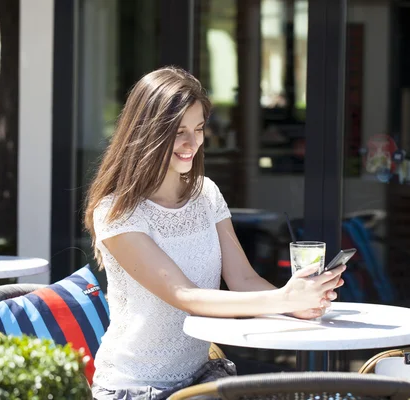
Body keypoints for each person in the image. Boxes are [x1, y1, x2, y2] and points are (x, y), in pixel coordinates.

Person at [84, 66, 345, 400]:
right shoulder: (117, 211)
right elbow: (185, 296)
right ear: (148, 133)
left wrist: (297, 305)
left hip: (198, 379)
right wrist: (284, 298)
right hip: (135, 387)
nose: (192, 143)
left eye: (199, 128)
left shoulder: (206, 194)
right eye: (179, 131)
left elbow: (243, 280)